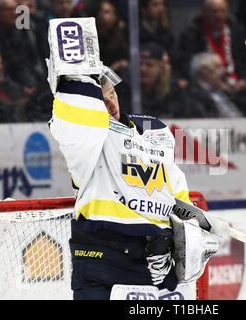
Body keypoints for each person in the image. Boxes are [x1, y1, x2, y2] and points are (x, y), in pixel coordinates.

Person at [48, 19, 217, 300]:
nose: (111, 104)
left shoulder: (154, 131)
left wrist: (173, 238)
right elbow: (75, 111)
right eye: (102, 100)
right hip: (101, 257)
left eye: (112, 94)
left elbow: (175, 194)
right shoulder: (88, 139)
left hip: (155, 261)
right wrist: (75, 62)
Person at [178, 0, 246, 94]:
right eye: (214, 11)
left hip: (237, 84)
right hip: (206, 88)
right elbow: (187, 64)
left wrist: (245, 80)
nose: (218, 15)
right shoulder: (191, 34)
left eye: (222, 11)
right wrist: (216, 84)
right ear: (204, 12)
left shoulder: (237, 30)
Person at [0, 0, 39, 94]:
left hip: (18, 84)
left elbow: (22, 63)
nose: (14, 13)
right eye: (8, 9)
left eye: (15, 9)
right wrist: (19, 89)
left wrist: (29, 84)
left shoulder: (16, 32)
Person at [185, 52, 244, 118]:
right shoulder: (192, 95)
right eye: (217, 67)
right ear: (204, 70)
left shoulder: (226, 91)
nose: (224, 70)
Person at [87, 0, 129, 73]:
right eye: (106, 12)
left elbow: (125, 60)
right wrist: (112, 68)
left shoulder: (121, 35)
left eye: (113, 12)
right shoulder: (89, 37)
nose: (111, 16)